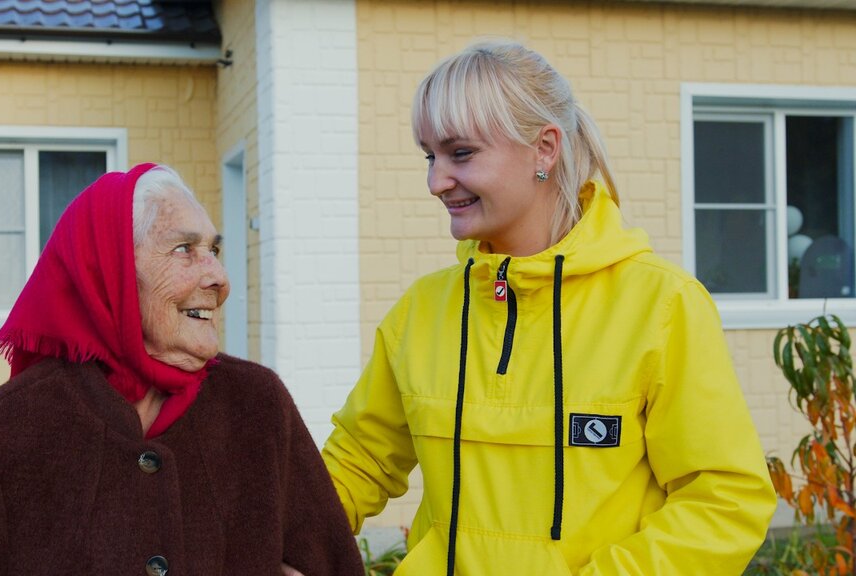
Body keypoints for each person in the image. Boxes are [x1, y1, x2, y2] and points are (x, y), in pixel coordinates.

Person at [321, 40, 777, 575]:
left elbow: (724, 500)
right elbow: (357, 465)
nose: (435, 181)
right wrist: (269, 542)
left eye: (460, 153)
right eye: (430, 156)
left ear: (545, 148)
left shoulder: (662, 305)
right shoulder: (421, 312)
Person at [0, 163, 364, 575]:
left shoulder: (256, 405)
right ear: (110, 270)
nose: (218, 278)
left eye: (214, 251)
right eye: (185, 249)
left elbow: (331, 563)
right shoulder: (8, 430)